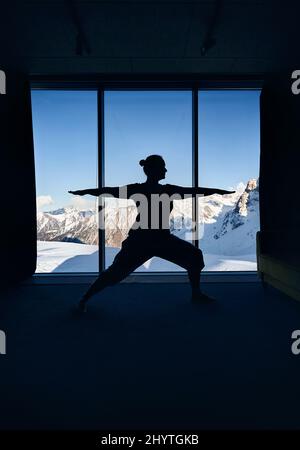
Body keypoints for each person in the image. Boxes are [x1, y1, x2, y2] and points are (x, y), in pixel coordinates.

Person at [69, 155, 234, 312]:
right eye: (163, 167)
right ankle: (84, 298)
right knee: (114, 274)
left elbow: (109, 191)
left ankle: (196, 294)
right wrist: (85, 191)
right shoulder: (164, 190)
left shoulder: (141, 189)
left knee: (194, 256)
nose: (166, 171)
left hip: (153, 239)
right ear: (153, 170)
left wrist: (218, 191)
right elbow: (195, 191)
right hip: (146, 241)